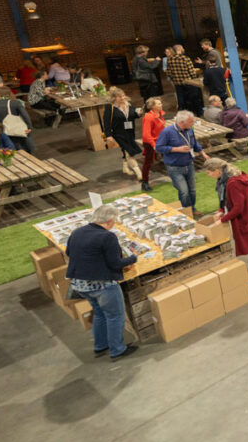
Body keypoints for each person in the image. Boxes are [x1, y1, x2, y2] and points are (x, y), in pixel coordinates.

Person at [66, 204, 138, 361]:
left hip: (80, 285)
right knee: (115, 316)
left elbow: (69, 252)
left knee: (99, 313)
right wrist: (133, 258)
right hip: (102, 285)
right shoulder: (108, 237)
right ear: (110, 221)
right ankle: (117, 349)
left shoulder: (77, 232)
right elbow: (116, 264)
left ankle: (100, 345)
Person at [207, 158, 248, 270]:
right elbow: (224, 199)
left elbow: (238, 207)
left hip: (246, 217)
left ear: (217, 170)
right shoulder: (224, 180)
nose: (208, 175)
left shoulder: (233, 183)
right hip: (247, 215)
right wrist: (221, 211)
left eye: (209, 172)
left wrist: (223, 220)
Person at [155, 111, 206, 212]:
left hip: (189, 165)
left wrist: (203, 153)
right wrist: (177, 149)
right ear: (182, 122)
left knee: (192, 190)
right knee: (184, 191)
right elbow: (159, 147)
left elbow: (195, 143)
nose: (193, 123)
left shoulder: (189, 130)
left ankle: (192, 209)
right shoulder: (167, 132)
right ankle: (187, 212)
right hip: (174, 167)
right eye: (191, 121)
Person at [102, 88, 143, 181]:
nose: (122, 98)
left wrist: (139, 114)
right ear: (114, 98)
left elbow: (133, 115)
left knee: (126, 150)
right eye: (119, 97)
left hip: (130, 132)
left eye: (123, 95)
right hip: (119, 133)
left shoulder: (129, 104)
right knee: (129, 152)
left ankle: (125, 167)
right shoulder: (110, 107)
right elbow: (106, 122)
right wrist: (108, 135)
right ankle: (139, 173)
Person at [0, 81, 35, 152]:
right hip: (16, 127)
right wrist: (29, 127)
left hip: (3, 129)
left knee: (10, 146)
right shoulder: (16, 102)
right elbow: (25, 116)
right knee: (23, 144)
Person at [165, 46, 202, 113]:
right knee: (193, 98)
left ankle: (182, 113)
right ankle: (197, 112)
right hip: (188, 82)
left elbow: (169, 72)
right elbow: (191, 71)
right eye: (182, 48)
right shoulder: (185, 58)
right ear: (179, 49)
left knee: (181, 99)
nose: (183, 49)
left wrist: (174, 78)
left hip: (177, 83)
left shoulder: (170, 59)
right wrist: (194, 78)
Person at [141, 97, 165, 191]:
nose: (161, 105)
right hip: (150, 142)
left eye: (161, 103)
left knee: (169, 157)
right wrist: (154, 145)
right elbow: (146, 134)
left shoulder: (160, 114)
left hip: (160, 141)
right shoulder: (149, 117)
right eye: (159, 104)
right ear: (153, 106)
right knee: (148, 162)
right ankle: (144, 182)